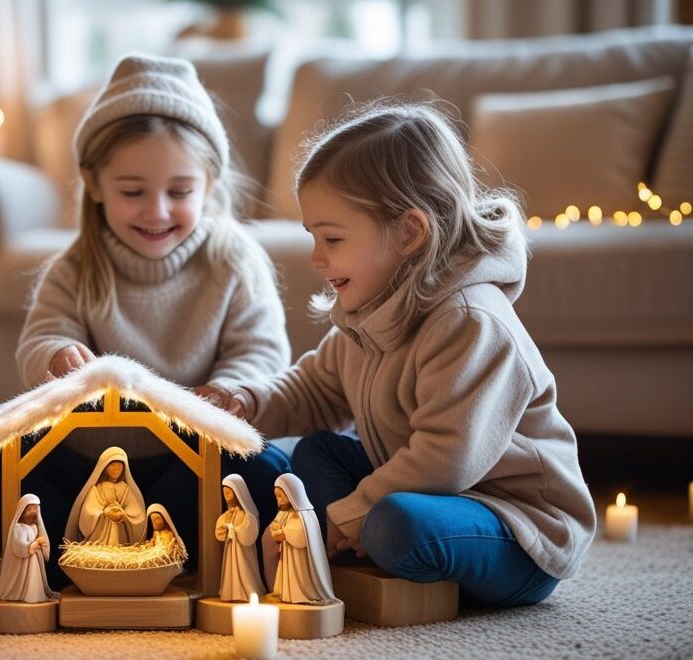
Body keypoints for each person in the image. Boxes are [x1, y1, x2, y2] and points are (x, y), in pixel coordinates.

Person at [210, 104, 596, 607]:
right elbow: (315, 388)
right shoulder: (370, 311)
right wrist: (245, 401)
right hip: (422, 490)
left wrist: (348, 515)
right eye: (314, 237)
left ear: (409, 234)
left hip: (514, 527)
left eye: (333, 238)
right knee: (315, 453)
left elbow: (446, 458)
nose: (316, 258)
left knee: (397, 524)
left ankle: (380, 555)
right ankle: (367, 553)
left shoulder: (471, 321)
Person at [0, 53, 292, 576]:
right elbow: (40, 340)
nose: (158, 210)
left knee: (270, 472)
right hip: (80, 466)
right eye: (132, 192)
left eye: (180, 192)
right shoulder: (74, 268)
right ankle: (55, 561)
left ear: (209, 183)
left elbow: (261, 351)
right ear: (95, 185)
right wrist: (56, 355)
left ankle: (164, 552)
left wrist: (229, 389)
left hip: (191, 462)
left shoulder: (236, 260)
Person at [268, 474, 335, 605]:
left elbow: (302, 537)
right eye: (277, 496)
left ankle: (303, 596)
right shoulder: (284, 512)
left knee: (300, 576)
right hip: (288, 555)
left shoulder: (305, 514)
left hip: (302, 559)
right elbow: (275, 525)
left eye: (281, 496)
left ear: (292, 493)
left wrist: (284, 532)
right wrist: (275, 529)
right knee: (288, 577)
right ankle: (288, 595)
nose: (279, 501)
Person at [65, 446, 147, 545]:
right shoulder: (98, 488)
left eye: (119, 466)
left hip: (122, 538)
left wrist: (124, 515)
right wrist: (104, 513)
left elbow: (137, 513)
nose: (116, 470)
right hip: (100, 539)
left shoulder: (126, 489)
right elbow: (88, 511)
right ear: (104, 468)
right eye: (112, 466)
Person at [0, 494, 57, 603]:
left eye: (35, 510)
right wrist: (33, 544)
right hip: (22, 563)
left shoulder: (34, 527)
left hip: (33, 561)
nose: (33, 513)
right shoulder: (18, 527)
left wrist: (39, 543)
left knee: (33, 579)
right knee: (23, 579)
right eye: (29, 510)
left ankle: (34, 593)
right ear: (22, 510)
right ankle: (19, 593)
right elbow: (18, 545)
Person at [215, 474, 265, 602]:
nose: (226, 494)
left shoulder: (247, 514)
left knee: (245, 569)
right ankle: (232, 592)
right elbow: (220, 531)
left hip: (243, 550)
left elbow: (250, 531)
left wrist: (233, 529)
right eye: (224, 492)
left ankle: (247, 590)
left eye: (229, 491)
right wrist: (225, 526)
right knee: (231, 570)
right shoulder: (227, 514)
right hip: (231, 548)